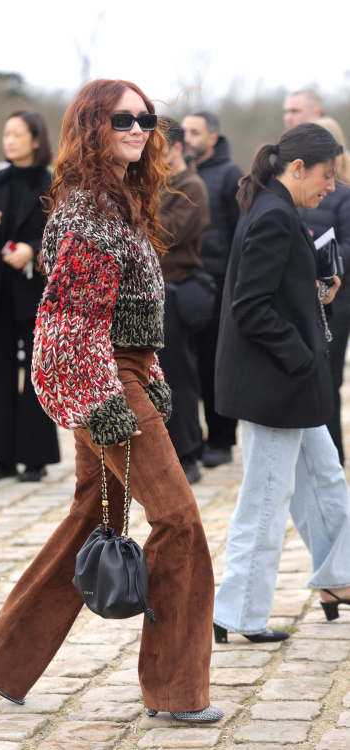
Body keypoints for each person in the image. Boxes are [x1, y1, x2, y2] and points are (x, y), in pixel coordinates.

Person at [0, 78, 222, 724]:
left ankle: (3, 657)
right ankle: (175, 690)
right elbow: (68, 324)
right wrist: (104, 401)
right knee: (179, 522)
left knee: (89, 517)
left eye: (146, 119)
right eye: (123, 119)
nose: (139, 129)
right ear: (92, 128)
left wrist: (149, 371)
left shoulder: (120, 201)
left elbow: (121, 315)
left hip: (117, 372)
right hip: (100, 380)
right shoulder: (90, 212)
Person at [213, 123, 350, 643]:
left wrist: (319, 291)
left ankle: (340, 579)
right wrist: (299, 357)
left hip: (288, 382)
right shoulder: (272, 215)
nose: (331, 186)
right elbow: (250, 307)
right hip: (274, 385)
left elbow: (275, 293)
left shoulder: (276, 208)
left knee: (325, 478)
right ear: (297, 168)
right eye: (326, 175)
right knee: (267, 498)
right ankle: (238, 613)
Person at [0, 111, 60, 484]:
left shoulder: (51, 182)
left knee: (36, 375)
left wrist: (33, 249)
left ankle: (35, 459)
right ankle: (2, 458)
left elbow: (58, 233)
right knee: (0, 375)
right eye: (5, 133)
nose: (8, 140)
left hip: (34, 292)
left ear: (36, 140)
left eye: (16, 134)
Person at [182, 111, 242, 467]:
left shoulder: (229, 174)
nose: (188, 137)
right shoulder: (181, 175)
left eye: (195, 131)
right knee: (187, 367)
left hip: (218, 282)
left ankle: (221, 440)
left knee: (214, 364)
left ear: (213, 137)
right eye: (185, 131)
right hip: (186, 280)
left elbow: (239, 231)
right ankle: (195, 439)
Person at [158, 118, 210, 484]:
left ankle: (188, 453)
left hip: (175, 294)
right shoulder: (146, 184)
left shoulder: (191, 186)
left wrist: (138, 216)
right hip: (146, 295)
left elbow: (166, 235)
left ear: (176, 148)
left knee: (179, 377)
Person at [297, 118, 350, 464]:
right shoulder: (292, 195)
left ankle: (332, 456)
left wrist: (319, 258)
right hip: (302, 295)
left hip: (337, 297)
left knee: (328, 378)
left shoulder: (343, 196)